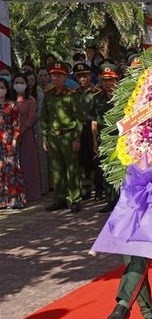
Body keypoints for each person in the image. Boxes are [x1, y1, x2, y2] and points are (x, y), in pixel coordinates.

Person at [40, 62, 84, 212]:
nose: (55, 78)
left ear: (65, 77)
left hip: (68, 136)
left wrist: (77, 138)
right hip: (54, 137)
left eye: (59, 75)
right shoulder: (48, 96)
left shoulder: (72, 95)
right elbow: (44, 118)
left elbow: (79, 118)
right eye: (53, 75)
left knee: (71, 168)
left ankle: (75, 199)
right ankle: (59, 199)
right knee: (57, 169)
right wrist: (45, 137)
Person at [93, 63, 121, 213]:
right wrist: (94, 140)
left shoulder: (124, 97)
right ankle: (111, 200)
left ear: (117, 80)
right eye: (105, 80)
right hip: (104, 139)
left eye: (111, 80)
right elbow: (94, 121)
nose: (108, 83)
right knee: (107, 170)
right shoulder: (97, 98)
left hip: (121, 139)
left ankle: (123, 200)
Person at [74, 62, 102, 200]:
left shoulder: (96, 92)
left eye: (85, 76)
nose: (82, 79)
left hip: (95, 127)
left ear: (90, 76)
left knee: (96, 158)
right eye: (79, 77)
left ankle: (98, 189)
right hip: (81, 128)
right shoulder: (75, 94)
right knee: (83, 159)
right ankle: (85, 188)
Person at [12, 73, 41, 203]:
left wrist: (20, 131)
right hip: (10, 136)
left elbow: (32, 117)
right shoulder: (10, 100)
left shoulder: (31, 100)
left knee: (28, 164)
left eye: (21, 82)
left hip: (26, 135)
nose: (19, 85)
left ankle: (31, 193)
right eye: (16, 82)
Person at [0, 78, 26, 209]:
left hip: (9, 141)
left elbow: (16, 125)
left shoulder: (12, 105)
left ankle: (14, 200)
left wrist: (15, 141)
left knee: (11, 170)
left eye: (2, 87)